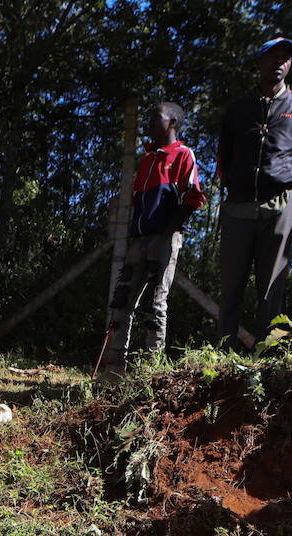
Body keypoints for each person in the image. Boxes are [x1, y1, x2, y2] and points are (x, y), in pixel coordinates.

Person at [216, 37, 292, 347]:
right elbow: (225, 154)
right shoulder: (238, 108)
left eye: (286, 57)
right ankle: (221, 352)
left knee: (272, 287)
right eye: (272, 56)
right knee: (231, 284)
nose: (279, 62)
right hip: (238, 206)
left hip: (280, 205)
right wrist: (232, 184)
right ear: (258, 62)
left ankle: (267, 356)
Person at [97, 102, 205, 375]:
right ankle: (113, 369)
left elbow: (194, 196)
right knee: (122, 300)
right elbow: (137, 199)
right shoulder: (146, 159)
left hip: (164, 239)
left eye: (155, 117)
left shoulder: (182, 155)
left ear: (172, 123)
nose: (148, 123)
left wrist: (171, 228)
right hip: (138, 239)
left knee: (155, 303)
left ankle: (148, 370)